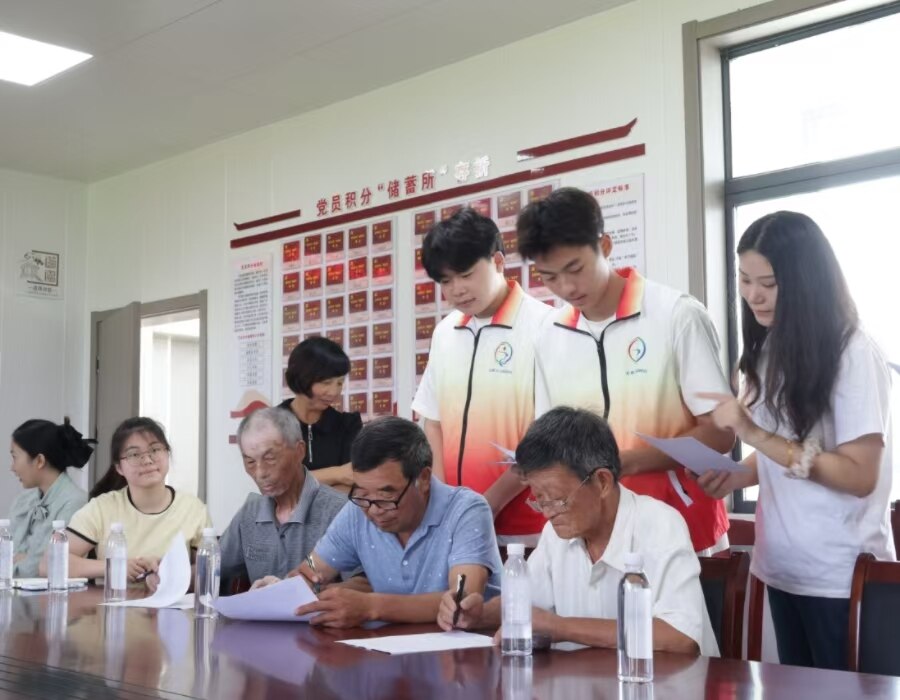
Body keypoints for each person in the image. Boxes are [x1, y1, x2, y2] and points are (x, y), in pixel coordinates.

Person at [696, 211, 895, 671]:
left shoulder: (854, 353)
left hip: (839, 576)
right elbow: (785, 450)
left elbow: (860, 475)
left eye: (768, 282)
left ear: (806, 282)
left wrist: (752, 432)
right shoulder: (771, 347)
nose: (753, 295)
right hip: (783, 566)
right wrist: (737, 474)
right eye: (744, 280)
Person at [517, 187, 734, 553]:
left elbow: (722, 433)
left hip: (683, 533)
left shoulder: (675, 316)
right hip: (594, 539)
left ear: (605, 246)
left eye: (575, 269)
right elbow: (550, 439)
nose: (566, 287)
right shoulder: (549, 336)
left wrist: (627, 462)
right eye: (549, 277)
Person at [438, 406, 718, 657]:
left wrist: (561, 628)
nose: (547, 511)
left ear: (603, 482)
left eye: (557, 498)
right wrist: (477, 614)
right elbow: (527, 604)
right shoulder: (555, 534)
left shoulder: (660, 524)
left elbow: (681, 638)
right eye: (539, 499)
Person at [259, 416, 503, 628]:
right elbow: (313, 566)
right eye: (363, 494)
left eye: (387, 496)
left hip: (464, 659)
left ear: (424, 479)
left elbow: (462, 597)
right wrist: (284, 586)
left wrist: (371, 606)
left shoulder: (466, 510)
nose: (374, 510)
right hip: (388, 657)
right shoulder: (356, 512)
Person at [412, 207, 552, 545]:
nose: (457, 289)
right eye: (446, 281)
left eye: (466, 274)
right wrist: (443, 501)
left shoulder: (545, 326)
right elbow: (433, 421)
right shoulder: (445, 333)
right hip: (456, 524)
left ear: (499, 263)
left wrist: (490, 501)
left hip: (529, 525)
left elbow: (548, 433)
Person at [48, 417, 211, 591]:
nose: (147, 460)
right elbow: (50, 564)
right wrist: (115, 567)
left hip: (171, 612)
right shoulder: (102, 507)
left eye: (155, 450)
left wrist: (168, 573)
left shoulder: (193, 508)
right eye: (134, 454)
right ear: (118, 467)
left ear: (167, 454)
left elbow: (209, 569)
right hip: (112, 610)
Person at [219, 407, 346, 584]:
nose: (260, 473)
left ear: (299, 451)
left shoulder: (339, 511)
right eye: (250, 462)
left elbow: (362, 585)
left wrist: (298, 592)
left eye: (270, 458)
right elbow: (213, 567)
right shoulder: (250, 513)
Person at [9, 418, 93, 577]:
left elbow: (49, 566)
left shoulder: (75, 502)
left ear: (39, 460)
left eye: (15, 457)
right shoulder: (22, 501)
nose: (12, 467)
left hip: (53, 598)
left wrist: (17, 562)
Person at [280, 337, 363, 493]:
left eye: (340, 383)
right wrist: (337, 473)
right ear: (302, 377)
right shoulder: (272, 424)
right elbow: (277, 484)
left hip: (336, 517)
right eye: (326, 382)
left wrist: (298, 481)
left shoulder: (348, 424)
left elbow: (349, 483)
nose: (334, 392)